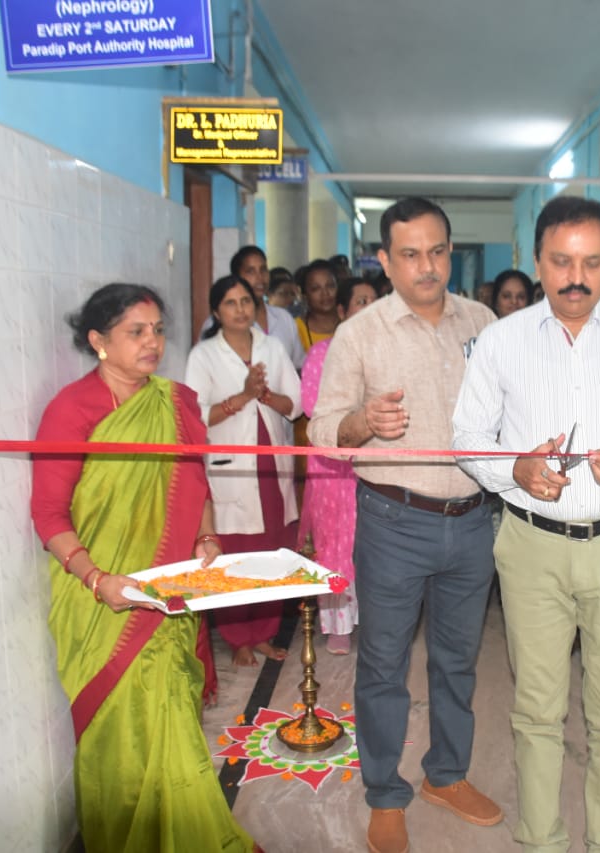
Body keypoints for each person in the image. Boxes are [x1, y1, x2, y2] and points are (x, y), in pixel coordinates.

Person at [453, 196, 600, 853]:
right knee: (537, 709)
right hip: (530, 546)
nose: (576, 277)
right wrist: (517, 469)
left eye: (591, 263)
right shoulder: (501, 341)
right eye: (561, 262)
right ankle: (542, 839)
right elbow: (468, 437)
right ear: (537, 262)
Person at [30, 283, 256, 852]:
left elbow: (195, 481)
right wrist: (98, 579)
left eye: (157, 330)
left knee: (171, 719)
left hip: (166, 589)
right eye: (137, 331)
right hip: (100, 598)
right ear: (99, 341)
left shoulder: (176, 402)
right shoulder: (71, 408)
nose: (153, 341)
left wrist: (207, 534)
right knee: (117, 734)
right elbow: (48, 513)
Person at [308, 197, 502, 853]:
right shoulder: (360, 334)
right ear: (385, 260)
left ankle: (446, 773)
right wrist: (366, 421)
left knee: (457, 661)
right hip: (394, 520)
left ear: (451, 250)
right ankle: (385, 791)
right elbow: (323, 432)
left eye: (438, 250)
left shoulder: (482, 321)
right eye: (411, 254)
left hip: (474, 519)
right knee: (384, 664)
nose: (427, 266)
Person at [186, 276, 301, 667]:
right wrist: (244, 396)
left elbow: (296, 404)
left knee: (271, 548)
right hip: (231, 465)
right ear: (217, 312)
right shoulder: (203, 355)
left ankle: (265, 634)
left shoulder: (273, 346)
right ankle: (238, 638)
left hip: (271, 461)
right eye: (231, 303)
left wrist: (266, 396)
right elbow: (196, 416)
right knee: (235, 551)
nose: (240, 309)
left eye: (246, 301)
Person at [297, 276, 380, 655]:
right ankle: (338, 625)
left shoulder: (388, 354)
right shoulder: (322, 354)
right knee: (336, 543)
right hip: (334, 466)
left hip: (378, 462)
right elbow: (316, 410)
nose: (369, 309)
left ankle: (377, 620)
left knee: (375, 543)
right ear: (344, 311)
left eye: (374, 301)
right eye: (360, 302)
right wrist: (361, 420)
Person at [230, 245, 305, 369]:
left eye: (263, 270)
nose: (260, 278)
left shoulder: (284, 318)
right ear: (237, 277)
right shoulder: (223, 321)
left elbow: (299, 365)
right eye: (251, 271)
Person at [295, 259, 340, 351]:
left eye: (330, 286)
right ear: (305, 295)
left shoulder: (350, 322)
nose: (325, 293)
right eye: (316, 289)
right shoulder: (295, 328)